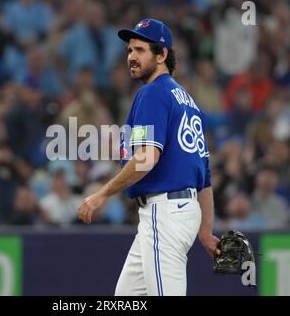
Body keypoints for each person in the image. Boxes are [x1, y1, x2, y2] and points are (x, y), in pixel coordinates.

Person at [78, 18, 219, 296]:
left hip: (164, 213)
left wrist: (102, 194)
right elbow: (204, 178)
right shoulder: (188, 101)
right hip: (178, 212)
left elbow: (146, 158)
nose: (131, 57)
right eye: (129, 50)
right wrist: (205, 231)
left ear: (162, 54)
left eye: (140, 50)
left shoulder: (153, 93)